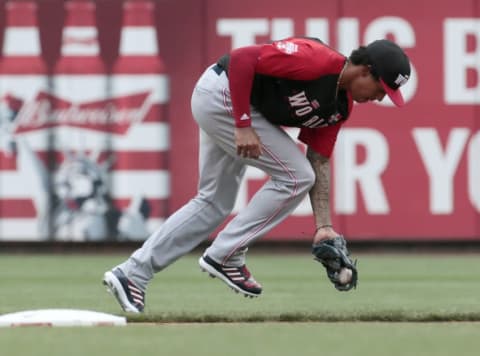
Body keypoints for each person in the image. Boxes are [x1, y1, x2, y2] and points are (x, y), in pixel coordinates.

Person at [103, 37, 411, 312]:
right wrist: (242, 123)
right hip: (223, 92)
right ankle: (226, 254)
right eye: (382, 88)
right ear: (365, 71)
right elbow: (242, 58)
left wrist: (323, 226)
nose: (382, 97)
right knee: (295, 177)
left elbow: (318, 160)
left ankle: (132, 274)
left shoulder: (338, 108)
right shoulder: (316, 59)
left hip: (233, 105)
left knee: (214, 203)